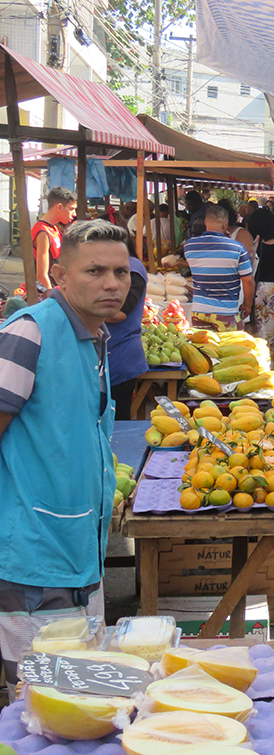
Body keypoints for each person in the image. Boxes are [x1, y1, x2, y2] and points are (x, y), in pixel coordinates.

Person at [0, 219, 131, 699]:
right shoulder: (30, 334)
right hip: (33, 562)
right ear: (59, 274)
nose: (112, 283)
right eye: (95, 271)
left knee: (80, 703)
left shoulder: (94, 336)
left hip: (81, 554)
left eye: (120, 272)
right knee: (42, 706)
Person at [183, 205, 255, 331]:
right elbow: (248, 281)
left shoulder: (189, 246)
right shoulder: (237, 249)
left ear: (205, 223)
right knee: (230, 348)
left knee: (204, 349)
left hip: (199, 311)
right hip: (226, 311)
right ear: (225, 224)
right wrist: (248, 305)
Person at [107, 249, 149, 419]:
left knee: (117, 425)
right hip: (105, 357)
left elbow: (120, 314)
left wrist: (76, 308)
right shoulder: (111, 268)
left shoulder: (133, 270)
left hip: (119, 357)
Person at [246, 207, 274, 367]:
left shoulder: (254, 243)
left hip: (257, 288)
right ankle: (271, 365)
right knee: (272, 332)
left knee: (255, 329)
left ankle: (254, 365)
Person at [31, 186, 77, 291]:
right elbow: (42, 275)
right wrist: (52, 298)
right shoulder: (42, 232)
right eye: (71, 209)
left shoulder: (54, 228)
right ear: (59, 207)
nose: (74, 214)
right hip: (47, 292)